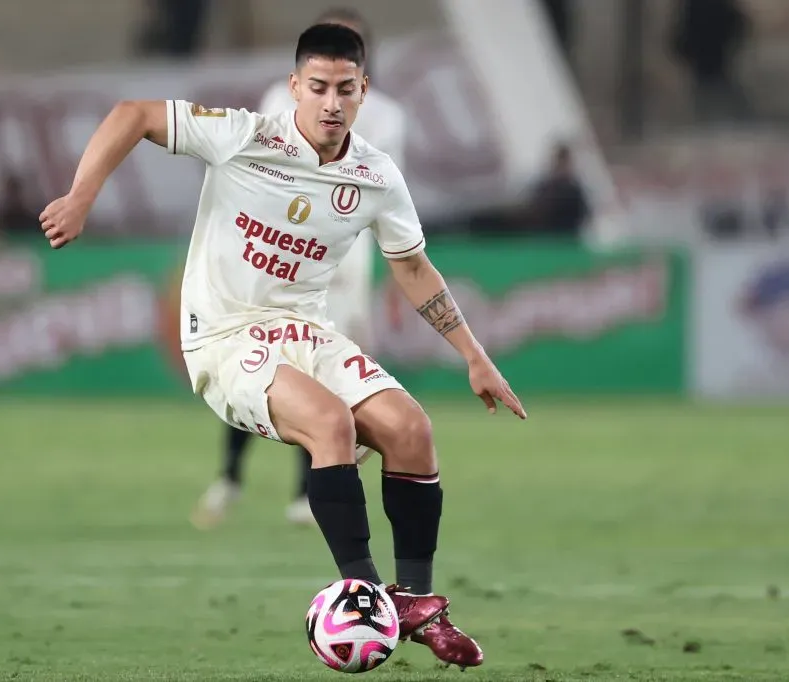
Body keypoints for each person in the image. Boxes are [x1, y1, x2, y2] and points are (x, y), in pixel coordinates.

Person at [39, 23, 526, 670]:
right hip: (222, 336)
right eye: (318, 87)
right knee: (330, 422)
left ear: (364, 90)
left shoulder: (375, 174)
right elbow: (133, 114)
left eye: (345, 89)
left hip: (304, 331)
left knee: (411, 428)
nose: (331, 102)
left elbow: (412, 266)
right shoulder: (246, 136)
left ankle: (415, 603)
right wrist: (81, 197)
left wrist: (473, 354)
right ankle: (364, 597)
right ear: (294, 86)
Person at [191, 7, 409, 530]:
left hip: (345, 262)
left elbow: (389, 203)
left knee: (321, 377)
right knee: (255, 361)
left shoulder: (388, 117)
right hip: (279, 252)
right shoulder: (277, 98)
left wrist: (391, 278)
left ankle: (303, 492)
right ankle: (230, 475)